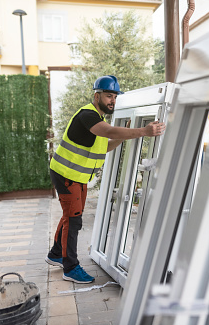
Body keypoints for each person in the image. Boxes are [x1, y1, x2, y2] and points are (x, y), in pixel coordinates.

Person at [45, 75, 165, 283]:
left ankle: (56, 254)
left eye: (115, 97)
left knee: (71, 215)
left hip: (77, 175)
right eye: (109, 96)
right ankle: (70, 267)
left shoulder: (97, 119)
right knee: (73, 219)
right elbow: (108, 131)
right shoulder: (88, 115)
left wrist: (128, 135)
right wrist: (144, 131)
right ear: (97, 96)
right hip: (66, 174)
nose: (113, 101)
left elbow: (106, 145)